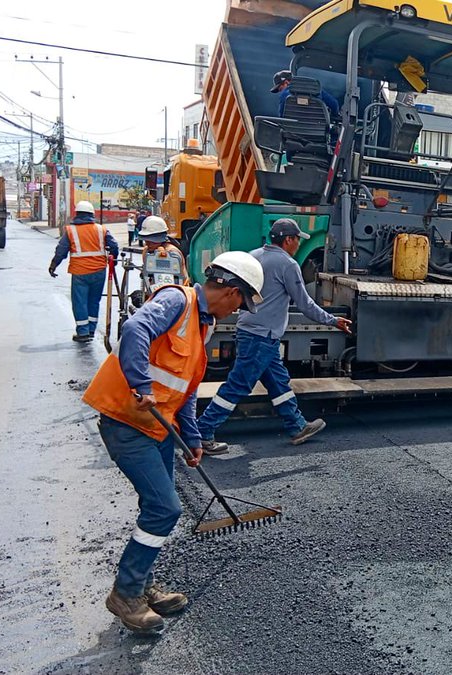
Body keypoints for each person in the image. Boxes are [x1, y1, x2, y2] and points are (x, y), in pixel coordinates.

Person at [82, 251, 265, 633]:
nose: (236, 312)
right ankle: (126, 593)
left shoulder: (202, 325)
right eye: (240, 304)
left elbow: (186, 386)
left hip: (158, 427)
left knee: (156, 506)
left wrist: (192, 437)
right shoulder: (177, 301)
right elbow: (135, 330)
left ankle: (143, 584)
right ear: (231, 292)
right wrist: (140, 385)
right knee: (165, 508)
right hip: (126, 421)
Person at [197, 219, 353, 453]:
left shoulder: (253, 256)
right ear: (288, 239)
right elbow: (305, 304)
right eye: (297, 239)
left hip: (250, 331)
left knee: (278, 383)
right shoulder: (287, 264)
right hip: (261, 336)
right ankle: (203, 430)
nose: (299, 244)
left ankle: (296, 425)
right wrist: (333, 320)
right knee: (238, 385)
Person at [49, 200, 120, 342]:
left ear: (77, 214)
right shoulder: (101, 229)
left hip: (80, 272)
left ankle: (83, 332)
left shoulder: (71, 231)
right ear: (92, 214)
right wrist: (114, 259)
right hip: (99, 271)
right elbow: (114, 246)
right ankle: (91, 330)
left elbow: (61, 250)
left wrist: (53, 265)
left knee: (80, 302)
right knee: (94, 301)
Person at [137, 216, 188, 289]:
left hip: (176, 291)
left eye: (152, 242)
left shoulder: (172, 252)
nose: (148, 244)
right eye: (146, 241)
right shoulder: (146, 251)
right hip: (154, 291)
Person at [272, 69, 340, 119]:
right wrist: (334, 115)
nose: (281, 92)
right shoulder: (316, 90)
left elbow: (282, 116)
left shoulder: (284, 95)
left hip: (293, 131)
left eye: (280, 89)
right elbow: (334, 104)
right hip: (318, 130)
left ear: (286, 82)